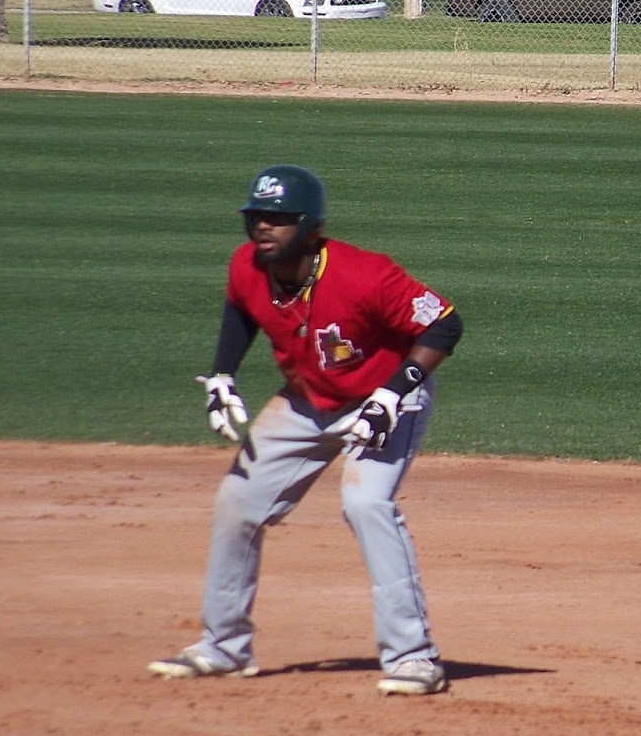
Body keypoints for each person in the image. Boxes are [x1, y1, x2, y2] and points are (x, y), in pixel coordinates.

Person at [149, 164, 463, 697]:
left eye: (279, 219)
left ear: (312, 227)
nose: (264, 228)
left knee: (367, 505)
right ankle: (223, 648)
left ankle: (413, 657)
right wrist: (224, 370)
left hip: (384, 397)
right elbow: (241, 310)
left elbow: (445, 322)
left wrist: (392, 393)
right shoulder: (246, 266)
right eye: (256, 218)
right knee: (237, 503)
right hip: (306, 399)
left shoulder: (366, 274)